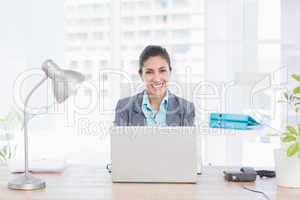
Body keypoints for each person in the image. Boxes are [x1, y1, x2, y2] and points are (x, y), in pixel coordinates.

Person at [114, 45, 195, 126]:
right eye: (149, 72)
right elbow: (119, 138)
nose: (156, 79)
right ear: (141, 75)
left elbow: (189, 138)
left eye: (162, 70)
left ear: (170, 72)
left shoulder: (187, 109)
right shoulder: (124, 107)